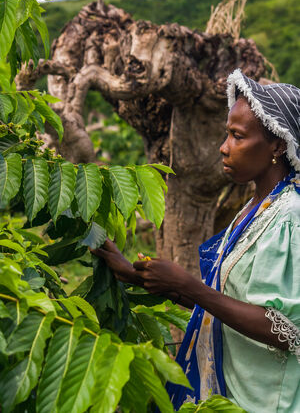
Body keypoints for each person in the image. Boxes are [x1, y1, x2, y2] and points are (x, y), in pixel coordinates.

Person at [92, 69, 300, 413]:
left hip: (264, 401)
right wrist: (138, 276)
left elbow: (287, 330)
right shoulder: (258, 208)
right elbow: (228, 305)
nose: (223, 147)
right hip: (227, 396)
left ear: (277, 144)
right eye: (226, 134)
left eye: (237, 136)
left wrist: (192, 286)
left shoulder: (289, 216)